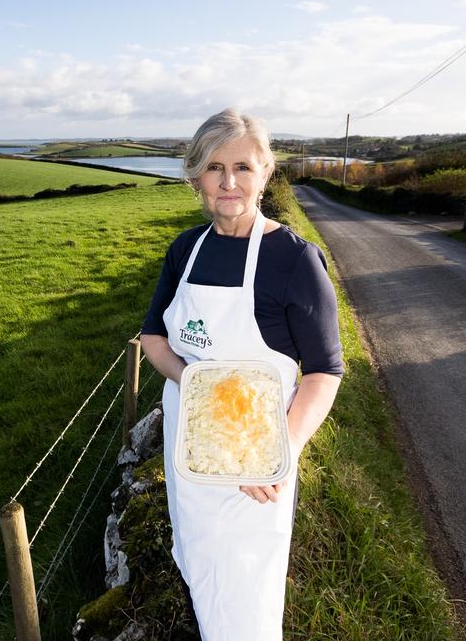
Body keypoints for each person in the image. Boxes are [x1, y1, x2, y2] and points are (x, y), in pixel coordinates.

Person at [140, 107, 344, 640]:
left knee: (245, 603)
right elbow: (154, 340)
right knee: (200, 568)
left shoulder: (295, 260)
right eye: (213, 167)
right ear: (195, 176)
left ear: (266, 173)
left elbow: (325, 371)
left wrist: (279, 454)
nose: (228, 182)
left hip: (257, 470)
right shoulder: (186, 250)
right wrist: (201, 389)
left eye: (243, 167)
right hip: (190, 454)